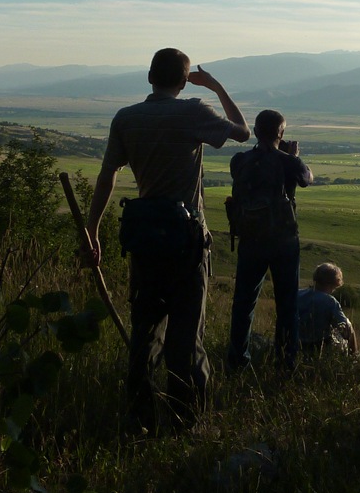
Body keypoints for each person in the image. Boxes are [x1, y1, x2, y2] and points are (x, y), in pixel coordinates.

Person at [83, 48, 249, 434]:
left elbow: (107, 176)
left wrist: (92, 230)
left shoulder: (126, 118)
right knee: (187, 336)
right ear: (183, 80)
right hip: (188, 242)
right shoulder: (192, 111)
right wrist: (215, 86)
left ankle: (139, 421)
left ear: (148, 77)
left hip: (144, 241)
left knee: (145, 334)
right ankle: (187, 423)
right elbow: (243, 131)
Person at [226, 109, 313, 371]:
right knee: (287, 305)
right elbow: (308, 178)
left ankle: (237, 362)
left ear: (256, 130)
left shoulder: (239, 160)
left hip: (250, 239)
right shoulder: (288, 162)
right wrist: (293, 156)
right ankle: (286, 363)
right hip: (284, 241)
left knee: (243, 303)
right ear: (281, 133)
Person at [296, 263, 358, 357]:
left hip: (294, 343)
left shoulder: (297, 294)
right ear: (335, 282)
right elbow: (344, 328)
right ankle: (354, 357)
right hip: (317, 347)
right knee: (348, 325)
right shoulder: (330, 301)